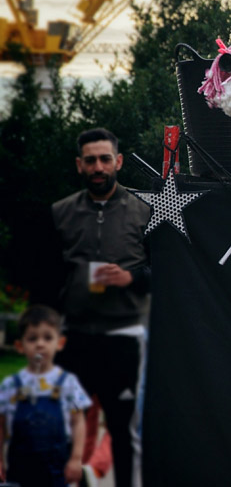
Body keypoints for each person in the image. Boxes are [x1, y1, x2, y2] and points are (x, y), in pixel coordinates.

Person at [47, 127, 151, 487]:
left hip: (123, 337)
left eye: (105, 159)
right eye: (90, 160)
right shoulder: (61, 212)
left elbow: (165, 273)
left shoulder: (144, 211)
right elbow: (46, 274)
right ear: (79, 164)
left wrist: (131, 278)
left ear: (118, 161)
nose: (98, 167)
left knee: (122, 430)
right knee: (61, 426)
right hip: (74, 337)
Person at [0, 305, 93, 487]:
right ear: (20, 346)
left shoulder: (68, 384)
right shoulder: (10, 385)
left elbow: (78, 422)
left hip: (57, 472)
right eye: (32, 338)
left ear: (60, 343)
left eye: (47, 338)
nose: (40, 344)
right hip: (19, 471)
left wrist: (76, 458)